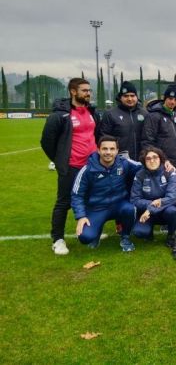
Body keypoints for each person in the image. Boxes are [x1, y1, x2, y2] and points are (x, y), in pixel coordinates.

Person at [41, 77, 100, 255]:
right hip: (71, 166)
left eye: (89, 90)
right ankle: (58, 240)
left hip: (91, 166)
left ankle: (89, 233)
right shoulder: (60, 115)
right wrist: (61, 160)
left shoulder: (92, 112)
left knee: (91, 199)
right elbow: (46, 142)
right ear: (73, 92)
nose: (88, 93)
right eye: (84, 90)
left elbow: (96, 136)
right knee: (63, 203)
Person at [71, 136, 141, 251]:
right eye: (105, 149)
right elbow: (76, 195)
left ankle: (125, 237)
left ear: (117, 151)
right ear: (98, 150)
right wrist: (81, 216)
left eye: (112, 149)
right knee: (85, 237)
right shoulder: (87, 169)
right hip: (97, 208)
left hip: (119, 205)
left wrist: (166, 164)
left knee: (131, 209)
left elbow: (144, 166)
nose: (108, 152)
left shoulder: (124, 163)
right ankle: (96, 232)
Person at [141, 84, 176, 226]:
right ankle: (162, 220)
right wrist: (162, 160)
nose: (172, 102)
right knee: (163, 193)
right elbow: (148, 141)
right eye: (170, 98)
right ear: (165, 98)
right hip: (163, 163)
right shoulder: (154, 116)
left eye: (175, 99)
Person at [130, 146, 176, 256]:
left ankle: (171, 235)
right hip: (147, 213)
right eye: (148, 159)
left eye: (155, 157)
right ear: (144, 161)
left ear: (160, 159)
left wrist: (151, 208)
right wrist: (150, 205)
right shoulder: (140, 175)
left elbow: (171, 197)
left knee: (172, 211)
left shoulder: (169, 171)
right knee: (139, 233)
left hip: (165, 211)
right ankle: (149, 231)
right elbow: (134, 199)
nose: (152, 161)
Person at [98, 81, 147, 161]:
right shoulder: (110, 114)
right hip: (119, 161)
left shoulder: (144, 113)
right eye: (126, 96)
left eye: (132, 95)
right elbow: (104, 138)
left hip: (141, 160)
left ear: (136, 97)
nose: (130, 99)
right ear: (120, 98)